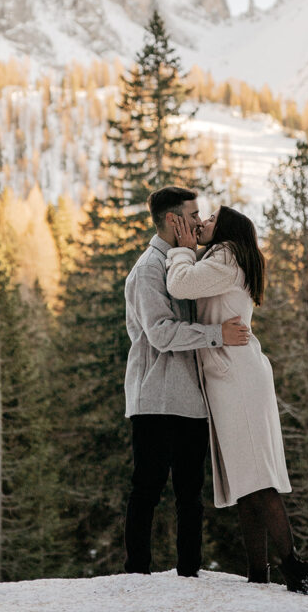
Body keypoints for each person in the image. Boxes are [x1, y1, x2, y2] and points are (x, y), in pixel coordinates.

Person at [166, 204, 308, 596]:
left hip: (236, 377)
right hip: (233, 375)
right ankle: (259, 571)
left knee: (256, 476)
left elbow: (180, 285)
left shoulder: (226, 259)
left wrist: (182, 248)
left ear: (227, 230)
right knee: (246, 479)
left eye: (210, 220)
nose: (201, 223)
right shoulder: (226, 258)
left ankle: (294, 567)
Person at [123, 186, 250, 577]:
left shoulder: (186, 264)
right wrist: (216, 334)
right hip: (157, 396)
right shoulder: (148, 269)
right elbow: (160, 334)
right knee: (148, 488)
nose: (199, 221)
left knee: (190, 495)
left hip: (191, 397)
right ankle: (137, 574)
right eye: (194, 215)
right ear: (173, 220)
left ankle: (189, 575)